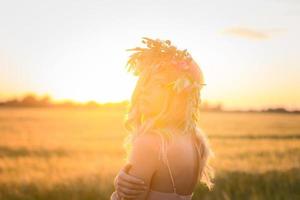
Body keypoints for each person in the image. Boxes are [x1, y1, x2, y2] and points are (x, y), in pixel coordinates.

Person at [110, 37, 214, 200]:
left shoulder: (150, 143)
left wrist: (119, 190)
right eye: (143, 84)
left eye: (156, 85)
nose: (144, 91)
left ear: (177, 94)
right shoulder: (195, 141)